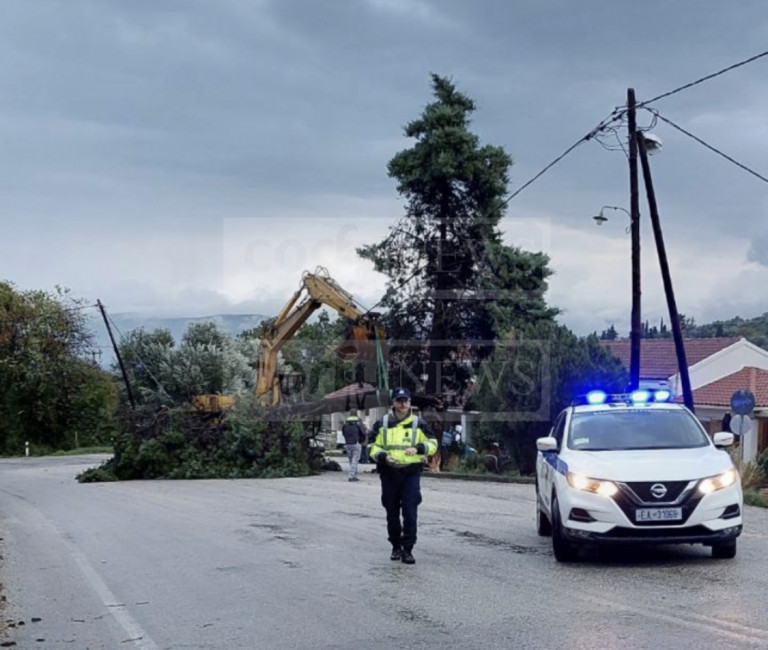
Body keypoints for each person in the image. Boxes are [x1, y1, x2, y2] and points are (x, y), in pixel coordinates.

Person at [369, 387, 437, 564]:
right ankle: (395, 546)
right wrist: (383, 456)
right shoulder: (382, 423)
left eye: (405, 400)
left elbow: (433, 443)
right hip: (389, 472)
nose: (403, 404)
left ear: (409, 402)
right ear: (393, 403)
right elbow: (371, 446)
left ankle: (408, 549)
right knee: (391, 511)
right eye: (399, 400)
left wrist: (419, 448)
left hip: (411, 472)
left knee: (410, 511)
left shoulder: (418, 423)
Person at [341, 412, 366, 482]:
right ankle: (351, 476)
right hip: (356, 443)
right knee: (355, 460)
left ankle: (354, 475)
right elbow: (363, 433)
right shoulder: (357, 425)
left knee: (351, 460)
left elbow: (343, 433)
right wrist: (361, 440)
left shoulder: (344, 425)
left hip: (347, 444)